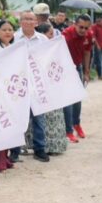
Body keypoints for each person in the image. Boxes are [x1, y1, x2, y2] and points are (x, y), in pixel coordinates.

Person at [15, 10, 51, 162]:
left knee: (39, 118)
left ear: (36, 22)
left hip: (37, 85)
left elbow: (49, 58)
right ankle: (15, 150)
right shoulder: (14, 38)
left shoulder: (43, 39)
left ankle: (39, 149)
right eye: (26, 19)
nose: (29, 22)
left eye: (32, 19)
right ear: (20, 22)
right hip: (18, 85)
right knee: (18, 117)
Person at [34, 23, 70, 152]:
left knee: (54, 118)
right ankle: (45, 146)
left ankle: (54, 145)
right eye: (50, 34)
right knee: (45, 119)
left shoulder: (52, 48)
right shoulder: (40, 48)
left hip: (53, 88)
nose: (52, 37)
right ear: (43, 35)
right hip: (42, 89)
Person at [0, 20, 17, 172]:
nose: (7, 32)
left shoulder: (12, 48)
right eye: (4, 29)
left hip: (9, 92)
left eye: (10, 29)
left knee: (7, 126)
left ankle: (5, 158)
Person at [62, 15, 93, 143]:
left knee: (78, 98)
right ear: (74, 25)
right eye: (81, 27)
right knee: (68, 100)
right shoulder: (65, 36)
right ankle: (68, 131)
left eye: (86, 28)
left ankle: (77, 124)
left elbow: (87, 53)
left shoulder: (89, 35)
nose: (83, 30)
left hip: (78, 67)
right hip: (65, 69)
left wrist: (86, 72)